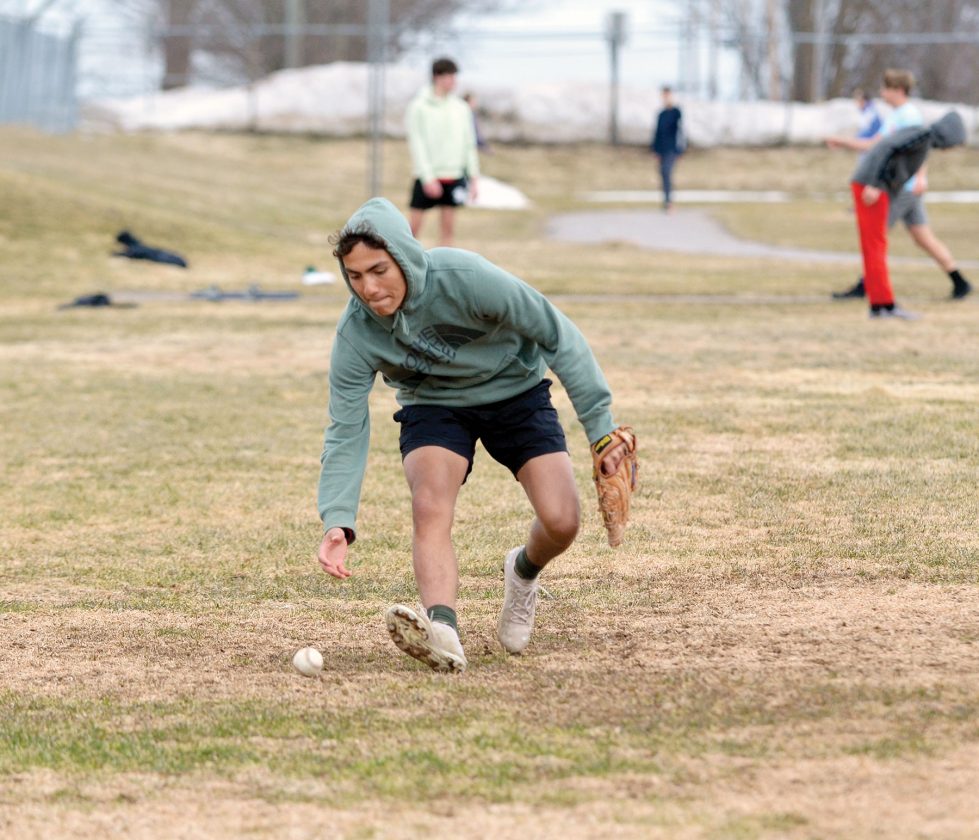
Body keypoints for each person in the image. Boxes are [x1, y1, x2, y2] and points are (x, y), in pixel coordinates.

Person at [315, 197, 630, 673]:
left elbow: (556, 333)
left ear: (403, 257)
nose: (369, 288)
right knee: (429, 503)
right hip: (434, 406)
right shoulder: (356, 332)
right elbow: (346, 427)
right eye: (355, 276)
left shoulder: (465, 277)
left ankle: (522, 572)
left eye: (379, 271)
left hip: (516, 392)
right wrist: (337, 518)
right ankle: (442, 630)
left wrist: (601, 429)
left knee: (563, 521)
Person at [828, 69, 971, 301]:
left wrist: (921, 177)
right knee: (922, 237)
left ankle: (867, 285)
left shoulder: (908, 116)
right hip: (906, 186)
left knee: (876, 234)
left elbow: (916, 148)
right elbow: (877, 145)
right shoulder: (896, 115)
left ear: (899, 90)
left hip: (904, 188)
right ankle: (960, 282)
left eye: (886, 88)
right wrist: (843, 142)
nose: (881, 92)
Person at [845, 111, 966, 319]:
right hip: (872, 189)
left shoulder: (922, 138)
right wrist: (874, 184)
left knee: (874, 245)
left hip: (874, 187)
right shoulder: (921, 136)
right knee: (875, 245)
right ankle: (884, 305)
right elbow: (886, 149)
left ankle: (880, 304)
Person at [406, 57, 480, 247]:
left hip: (453, 175)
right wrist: (428, 177)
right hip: (427, 176)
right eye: (450, 76)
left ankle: (445, 265)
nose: (454, 81)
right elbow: (417, 143)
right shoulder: (419, 107)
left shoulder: (461, 108)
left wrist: (473, 177)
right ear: (437, 77)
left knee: (448, 232)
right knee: (412, 233)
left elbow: (469, 143)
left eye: (455, 76)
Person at [649, 86, 686, 212]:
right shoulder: (661, 114)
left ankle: (669, 201)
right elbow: (657, 133)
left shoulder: (676, 113)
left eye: (667, 95)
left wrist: (680, 150)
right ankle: (666, 201)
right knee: (663, 174)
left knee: (667, 171)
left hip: (672, 149)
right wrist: (655, 150)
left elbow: (681, 131)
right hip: (661, 149)